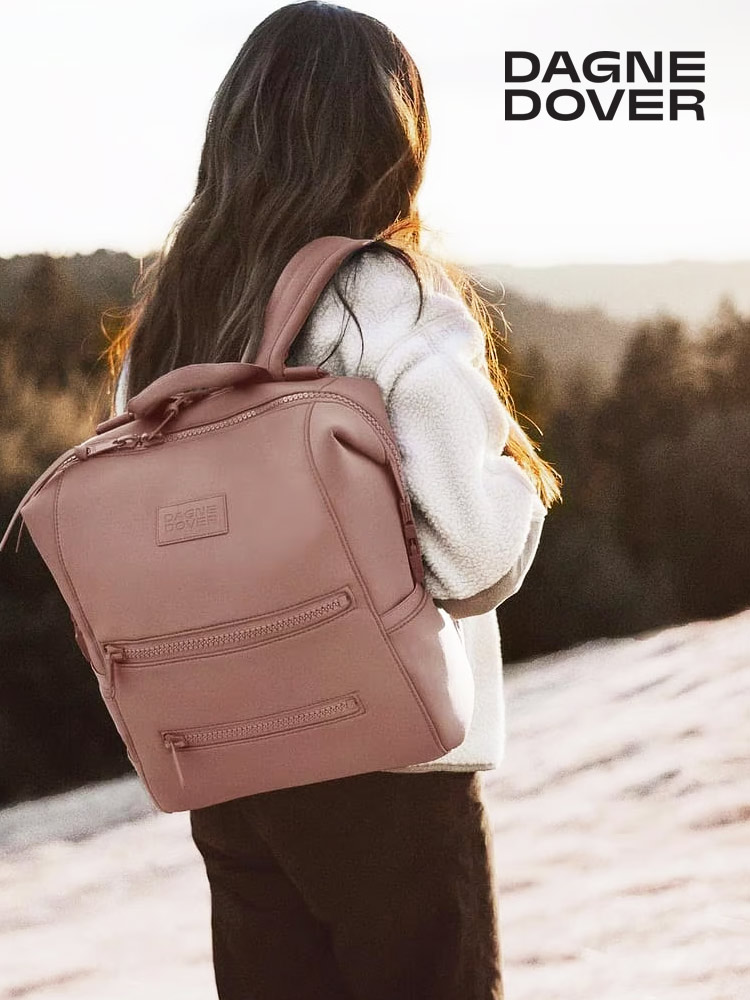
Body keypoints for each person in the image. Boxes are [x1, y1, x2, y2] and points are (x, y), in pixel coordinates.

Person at [108, 3, 562, 997]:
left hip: (231, 765)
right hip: (384, 758)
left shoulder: (172, 312)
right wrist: (520, 485)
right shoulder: (387, 299)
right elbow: (474, 558)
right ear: (390, 141)